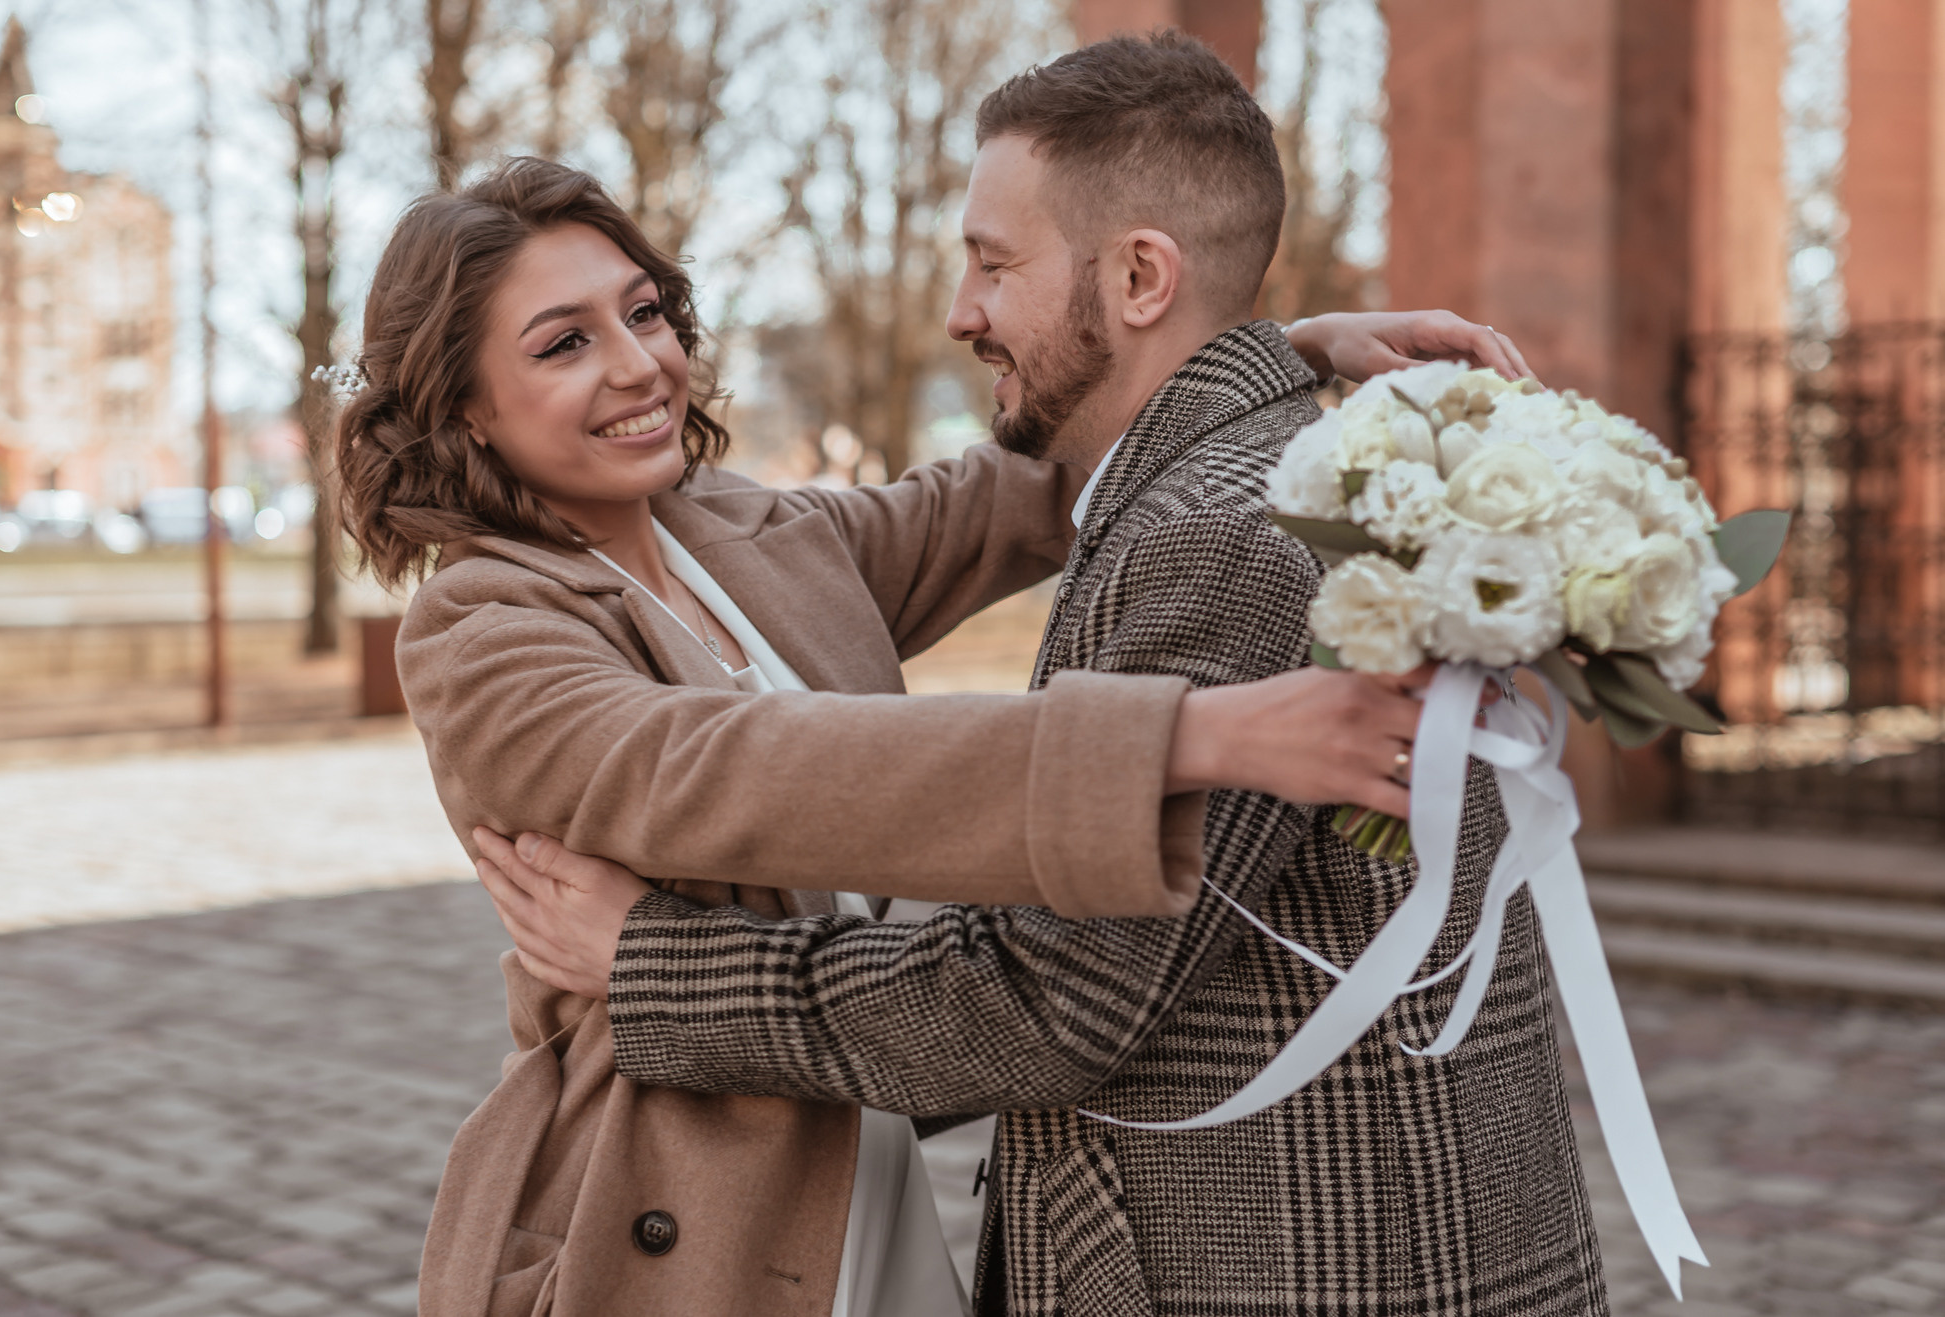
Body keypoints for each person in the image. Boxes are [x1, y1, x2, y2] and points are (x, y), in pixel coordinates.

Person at [480, 32, 1607, 1317]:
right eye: (561, 343)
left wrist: (651, 965)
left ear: (1139, 276)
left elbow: (1048, 999)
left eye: (992, 262)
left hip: (1299, 1267)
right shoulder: (1284, 472)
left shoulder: (1214, 532)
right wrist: (1272, 351)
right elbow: (787, 698)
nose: (960, 311)